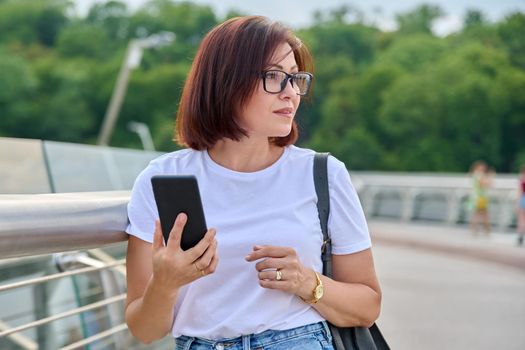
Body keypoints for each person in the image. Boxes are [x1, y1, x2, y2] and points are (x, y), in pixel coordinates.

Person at [124, 16, 381, 349]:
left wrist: (307, 282)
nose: (291, 94)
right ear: (226, 82)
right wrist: (166, 283)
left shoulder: (324, 174)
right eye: (275, 77)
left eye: (296, 78)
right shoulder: (162, 179)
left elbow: (368, 306)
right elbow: (144, 330)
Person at [468, 160, 492, 236]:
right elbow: (484, 184)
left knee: (477, 214)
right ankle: (485, 231)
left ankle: (475, 230)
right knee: (483, 214)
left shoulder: (474, 175)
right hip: (480, 197)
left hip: (476, 197)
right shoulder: (479, 175)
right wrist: (490, 178)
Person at [517, 164, 525, 246]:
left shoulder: (522, 179)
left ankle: (520, 236)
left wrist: (517, 203)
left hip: (523, 199)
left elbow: (519, 192)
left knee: (521, 219)